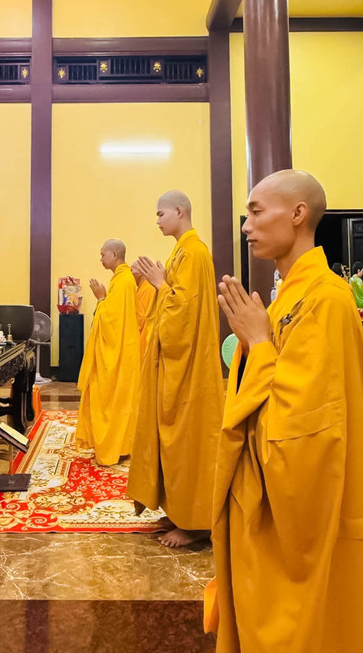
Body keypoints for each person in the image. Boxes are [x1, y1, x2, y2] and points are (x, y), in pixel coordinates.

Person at [213, 169, 363, 652]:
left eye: (256, 212)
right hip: (274, 493)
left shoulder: (326, 300)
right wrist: (257, 342)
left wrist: (258, 344)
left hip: (310, 512)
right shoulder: (291, 295)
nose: (246, 226)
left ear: (297, 214)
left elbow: (303, 435)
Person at [127, 190, 224, 547]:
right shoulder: (182, 251)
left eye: (160, 214)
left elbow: (184, 314)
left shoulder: (194, 253)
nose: (157, 221)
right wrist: (156, 282)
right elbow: (173, 301)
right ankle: (178, 509)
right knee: (171, 439)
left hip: (189, 366)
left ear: (179, 211)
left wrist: (159, 283)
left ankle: (195, 524)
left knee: (187, 440)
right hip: (175, 363)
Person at [76, 239, 141, 466]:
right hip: (122, 349)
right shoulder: (121, 279)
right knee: (118, 402)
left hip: (119, 353)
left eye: (103, 254)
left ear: (114, 254)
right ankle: (119, 447)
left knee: (112, 401)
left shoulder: (123, 281)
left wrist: (101, 298)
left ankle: (113, 449)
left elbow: (111, 322)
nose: (101, 259)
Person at [131, 259, 156, 362]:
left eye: (132, 270)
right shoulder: (142, 288)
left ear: (140, 272)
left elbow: (140, 319)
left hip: (145, 340)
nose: (130, 274)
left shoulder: (148, 289)